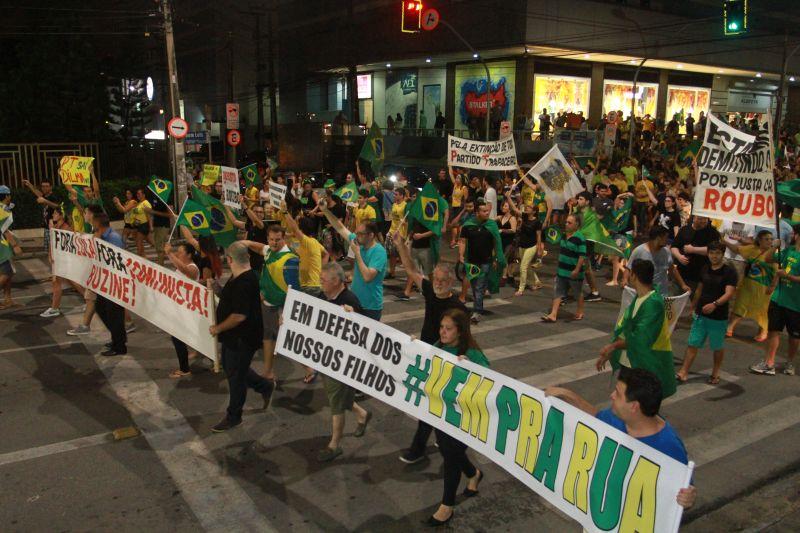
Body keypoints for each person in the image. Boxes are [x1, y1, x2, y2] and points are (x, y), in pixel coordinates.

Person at [545, 368, 696, 510]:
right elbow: (595, 415)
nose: (611, 395)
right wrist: (565, 393)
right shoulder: (616, 418)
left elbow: (684, 494)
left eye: (617, 393)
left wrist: (688, 499)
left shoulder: (669, 447)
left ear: (634, 407)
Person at [392, 231, 467, 464]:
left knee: (429, 402)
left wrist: (462, 357)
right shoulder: (429, 291)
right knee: (433, 402)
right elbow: (411, 270)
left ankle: (418, 448)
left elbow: (465, 337)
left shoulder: (457, 307)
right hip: (427, 352)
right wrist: (400, 246)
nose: (438, 285)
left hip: (444, 359)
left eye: (443, 282)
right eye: (435, 280)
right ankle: (445, 437)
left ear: (451, 283)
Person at [424, 308, 488, 526]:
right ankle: (474, 473)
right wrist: (412, 347)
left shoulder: (472, 353)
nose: (443, 332)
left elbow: (491, 381)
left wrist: (471, 369)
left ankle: (447, 505)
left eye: (448, 329)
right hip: (441, 414)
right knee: (446, 449)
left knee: (451, 456)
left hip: (463, 418)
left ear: (460, 332)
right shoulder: (438, 346)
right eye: (441, 327)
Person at [208, 241, 274, 432]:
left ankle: (234, 416)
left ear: (229, 259)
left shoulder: (244, 281)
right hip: (236, 337)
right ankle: (264, 386)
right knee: (233, 369)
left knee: (235, 376)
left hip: (242, 338)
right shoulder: (242, 276)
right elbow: (232, 301)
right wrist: (218, 289)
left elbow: (239, 315)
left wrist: (218, 328)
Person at [317, 262, 372, 461]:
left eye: (323, 280)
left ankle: (334, 445)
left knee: (336, 403)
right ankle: (362, 415)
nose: (320, 282)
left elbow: (366, 329)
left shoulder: (350, 300)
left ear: (336, 281)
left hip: (341, 362)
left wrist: (353, 316)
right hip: (325, 358)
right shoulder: (323, 296)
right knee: (341, 396)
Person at [598, 260, 678, 397]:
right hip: (630, 362)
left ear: (634, 276)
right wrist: (613, 348)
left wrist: (613, 346)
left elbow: (639, 338)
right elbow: (626, 329)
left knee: (638, 410)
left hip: (642, 367)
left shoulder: (653, 303)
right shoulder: (640, 297)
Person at [242, 225, 300, 383]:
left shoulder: (290, 259)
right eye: (271, 239)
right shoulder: (269, 251)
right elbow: (261, 248)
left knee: (292, 340)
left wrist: (286, 312)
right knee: (269, 336)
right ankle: (268, 371)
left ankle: (310, 369)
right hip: (268, 303)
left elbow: (294, 290)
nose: (274, 243)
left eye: (278, 240)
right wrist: (247, 243)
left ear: (284, 239)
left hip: (281, 307)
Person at [676, 241, 737, 384]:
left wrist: (715, 304)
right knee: (693, 343)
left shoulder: (729, 272)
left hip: (718, 316)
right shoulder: (704, 268)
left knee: (717, 346)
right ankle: (683, 371)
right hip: (701, 314)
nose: (714, 256)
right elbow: (699, 289)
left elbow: (729, 293)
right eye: (711, 253)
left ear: (723, 254)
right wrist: (693, 307)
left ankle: (716, 372)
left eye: (717, 253)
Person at [320, 198, 387, 320]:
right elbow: (340, 228)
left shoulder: (379, 252)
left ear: (371, 235)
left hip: (370, 307)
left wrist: (357, 253)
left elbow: (368, 277)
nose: (357, 236)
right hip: (354, 301)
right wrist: (325, 210)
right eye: (357, 233)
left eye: (361, 234)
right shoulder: (358, 241)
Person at [751, 225, 800, 376]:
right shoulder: (789, 251)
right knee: (773, 331)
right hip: (779, 299)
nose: (792, 235)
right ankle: (769, 363)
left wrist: (787, 276)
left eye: (794, 233)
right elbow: (768, 258)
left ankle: (790, 363)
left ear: (797, 236)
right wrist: (774, 246)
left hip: (796, 304)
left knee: (794, 336)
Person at [459, 198, 505, 323]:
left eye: (487, 211)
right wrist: (461, 255)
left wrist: (497, 258)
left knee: (479, 286)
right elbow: (462, 241)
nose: (487, 213)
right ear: (477, 212)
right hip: (471, 261)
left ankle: (477, 311)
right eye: (484, 211)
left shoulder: (492, 225)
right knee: (475, 286)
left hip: (486, 261)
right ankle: (479, 305)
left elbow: (497, 243)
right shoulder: (468, 225)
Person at [724, 230, 775, 342]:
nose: (769, 241)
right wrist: (724, 242)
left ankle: (763, 331)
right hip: (747, 284)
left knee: (761, 309)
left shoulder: (774, 254)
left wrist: (773, 286)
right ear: (759, 240)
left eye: (771, 239)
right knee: (740, 305)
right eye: (766, 239)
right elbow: (737, 249)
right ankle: (730, 327)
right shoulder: (752, 249)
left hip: (764, 287)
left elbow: (779, 272)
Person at [91, 212, 128, 357]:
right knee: (101, 308)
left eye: (93, 223)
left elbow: (114, 260)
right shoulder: (104, 236)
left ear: (98, 224)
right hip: (106, 281)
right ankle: (117, 338)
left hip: (115, 283)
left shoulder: (113, 238)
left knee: (115, 314)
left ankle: (119, 346)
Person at [39, 205, 84, 318]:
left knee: (59, 282)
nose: (53, 215)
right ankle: (90, 301)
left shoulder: (66, 229)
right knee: (70, 281)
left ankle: (55, 308)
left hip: (64, 260)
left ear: (61, 216)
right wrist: (50, 254)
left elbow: (67, 246)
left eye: (55, 213)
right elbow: (53, 243)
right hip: (59, 259)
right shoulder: (56, 227)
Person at [164, 242, 200, 378]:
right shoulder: (182, 266)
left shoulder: (193, 268)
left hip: (189, 309)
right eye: (177, 252)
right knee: (191, 336)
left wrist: (170, 253)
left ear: (189, 255)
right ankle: (215, 359)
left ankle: (184, 369)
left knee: (178, 337)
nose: (178, 254)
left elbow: (185, 270)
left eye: (180, 252)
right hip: (181, 308)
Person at [542, 213, 586, 323]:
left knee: (577, 293)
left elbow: (582, 256)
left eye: (569, 223)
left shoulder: (580, 238)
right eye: (566, 222)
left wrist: (576, 269)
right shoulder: (563, 235)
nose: (566, 224)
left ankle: (580, 311)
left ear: (576, 224)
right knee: (558, 292)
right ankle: (553, 314)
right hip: (562, 270)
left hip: (574, 271)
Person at [624, 226, 690, 297]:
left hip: (661, 294)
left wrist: (683, 285)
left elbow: (672, 269)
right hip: (643, 294)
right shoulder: (639, 251)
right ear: (658, 238)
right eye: (666, 238)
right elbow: (629, 268)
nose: (667, 240)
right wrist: (625, 279)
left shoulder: (666, 252)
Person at [671, 216, 721, 293]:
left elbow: (714, 250)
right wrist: (679, 256)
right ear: (694, 218)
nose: (704, 221)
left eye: (705, 218)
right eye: (700, 218)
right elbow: (674, 246)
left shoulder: (712, 232)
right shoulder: (684, 229)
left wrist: (693, 250)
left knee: (692, 299)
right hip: (680, 273)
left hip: (700, 276)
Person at [508, 197, 543, 296]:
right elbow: (514, 209)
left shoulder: (537, 222)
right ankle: (537, 282)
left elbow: (539, 236)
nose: (527, 208)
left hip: (532, 246)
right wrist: (508, 197)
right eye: (527, 207)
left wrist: (539, 249)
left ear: (534, 211)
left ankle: (521, 288)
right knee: (526, 266)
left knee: (523, 267)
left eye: (529, 207)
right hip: (522, 245)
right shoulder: (524, 216)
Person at [21, 178, 60, 253]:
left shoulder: (53, 196)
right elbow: (38, 193)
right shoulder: (45, 196)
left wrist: (45, 201)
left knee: (53, 251)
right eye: (43, 186)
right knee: (48, 251)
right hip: (47, 227)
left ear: (51, 187)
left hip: (54, 227)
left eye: (46, 186)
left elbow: (57, 206)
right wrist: (29, 185)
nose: (44, 188)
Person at [0, 185, 23, 309]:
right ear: (7, 196)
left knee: (6, 273)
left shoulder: (2, 208)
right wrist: (15, 246)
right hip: (3, 246)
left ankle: (8, 299)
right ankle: (7, 299)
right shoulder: (4, 211)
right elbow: (5, 230)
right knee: (8, 272)